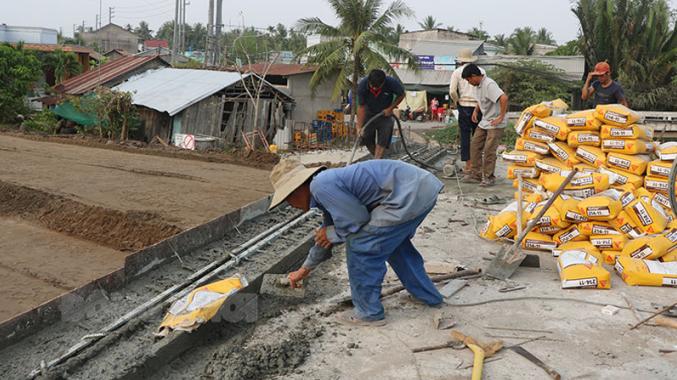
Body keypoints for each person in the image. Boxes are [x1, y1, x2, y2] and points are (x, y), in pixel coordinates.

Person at [268, 159, 444, 326]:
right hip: (420, 189)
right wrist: (303, 270)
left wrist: (331, 233)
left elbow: (356, 220)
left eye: (287, 199)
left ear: (297, 190)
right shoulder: (324, 188)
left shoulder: (320, 186)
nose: (290, 205)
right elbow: (327, 235)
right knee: (393, 246)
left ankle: (369, 314)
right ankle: (427, 296)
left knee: (361, 246)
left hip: (407, 195)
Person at [460, 63, 509, 187]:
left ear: (474, 76)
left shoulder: (489, 84)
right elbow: (481, 100)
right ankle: (476, 174)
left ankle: (488, 177)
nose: (468, 82)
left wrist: (501, 117)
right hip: (485, 121)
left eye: (468, 79)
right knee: (475, 145)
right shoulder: (478, 86)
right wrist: (476, 110)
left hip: (495, 123)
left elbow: (504, 98)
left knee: (489, 150)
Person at [449, 48, 485, 173]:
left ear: (460, 60)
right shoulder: (481, 71)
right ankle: (477, 165)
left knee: (465, 136)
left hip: (464, 105)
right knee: (478, 136)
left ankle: (468, 165)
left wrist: (456, 101)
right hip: (478, 106)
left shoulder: (457, 72)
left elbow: (452, 91)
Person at [356, 69, 405, 159]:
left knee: (385, 133)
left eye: (377, 86)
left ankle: (377, 159)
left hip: (385, 114)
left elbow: (401, 95)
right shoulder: (363, 85)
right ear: (369, 82)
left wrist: (391, 108)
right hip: (369, 114)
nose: (374, 88)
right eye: (372, 86)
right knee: (366, 137)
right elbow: (361, 107)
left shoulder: (391, 83)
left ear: (383, 82)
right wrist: (359, 127)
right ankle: (378, 159)